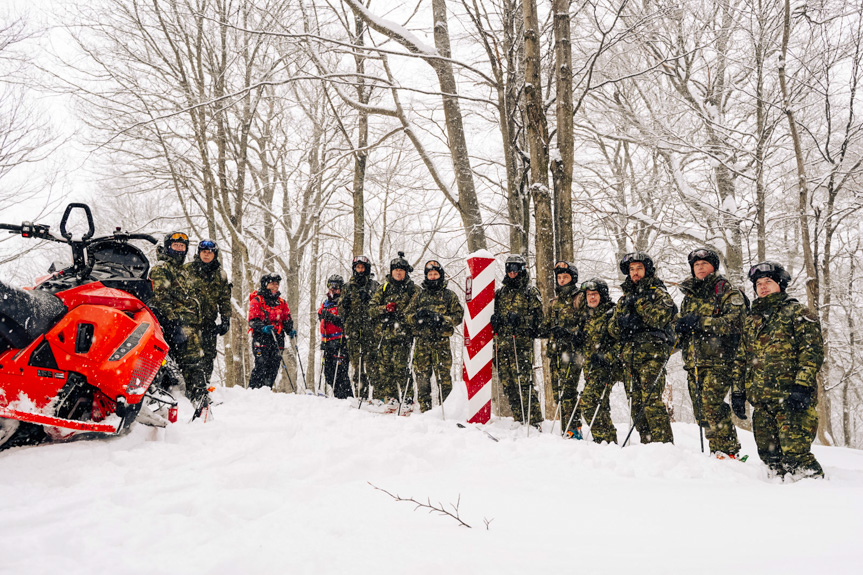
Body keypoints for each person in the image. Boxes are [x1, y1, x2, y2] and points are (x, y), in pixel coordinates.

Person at [732, 262, 824, 479]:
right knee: (770, 460)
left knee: (797, 457)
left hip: (791, 400)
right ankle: (777, 505)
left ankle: (818, 499)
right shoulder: (751, 319)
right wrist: (737, 391)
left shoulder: (798, 312)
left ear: (780, 285)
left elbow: (811, 353)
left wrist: (802, 385)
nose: (762, 287)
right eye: (759, 283)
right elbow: (741, 358)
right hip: (762, 402)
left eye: (768, 282)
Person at [675, 248, 745, 458]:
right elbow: (682, 326)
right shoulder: (689, 296)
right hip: (694, 361)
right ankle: (717, 450)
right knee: (701, 411)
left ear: (714, 266)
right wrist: (679, 326)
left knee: (711, 403)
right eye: (696, 265)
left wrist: (701, 322)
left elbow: (736, 322)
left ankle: (727, 451)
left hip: (719, 360)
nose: (700, 267)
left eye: (705, 263)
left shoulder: (726, 292)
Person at [608, 251, 675, 444]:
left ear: (647, 270)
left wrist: (640, 308)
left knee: (652, 402)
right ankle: (646, 443)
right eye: (631, 269)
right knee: (636, 404)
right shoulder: (624, 297)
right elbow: (612, 329)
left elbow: (662, 317)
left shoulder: (657, 292)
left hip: (652, 355)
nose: (635, 273)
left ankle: (664, 446)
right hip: (630, 357)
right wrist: (623, 323)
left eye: (639, 268)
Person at [149, 231, 207, 403]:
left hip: (189, 324)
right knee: (190, 361)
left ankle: (194, 396)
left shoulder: (182, 271)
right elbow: (159, 297)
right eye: (176, 246)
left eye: (182, 246)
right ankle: (194, 396)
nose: (179, 249)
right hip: (175, 324)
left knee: (193, 361)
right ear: (168, 247)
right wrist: (172, 321)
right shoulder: (161, 268)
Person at [491, 254, 544, 429]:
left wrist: (520, 320)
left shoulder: (530, 292)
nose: (512, 273)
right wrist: (496, 321)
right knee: (508, 383)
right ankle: (519, 418)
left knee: (523, 382)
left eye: (515, 269)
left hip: (520, 345)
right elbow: (493, 315)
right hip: (502, 344)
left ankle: (533, 420)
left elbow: (538, 320)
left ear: (522, 270)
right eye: (509, 269)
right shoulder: (501, 293)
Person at [406, 260, 464, 412]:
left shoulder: (449, 295)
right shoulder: (418, 296)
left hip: (441, 343)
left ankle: (447, 410)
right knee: (422, 377)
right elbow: (407, 316)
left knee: (444, 378)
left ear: (440, 275)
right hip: (422, 343)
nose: (432, 277)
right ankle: (425, 410)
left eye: (435, 274)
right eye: (430, 274)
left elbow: (458, 316)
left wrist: (442, 319)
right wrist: (417, 318)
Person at [541, 261, 583, 437]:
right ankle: (565, 428)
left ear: (572, 278)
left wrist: (569, 333)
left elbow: (585, 324)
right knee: (558, 391)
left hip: (572, 352)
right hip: (556, 352)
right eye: (559, 277)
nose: (562, 280)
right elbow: (546, 325)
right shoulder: (554, 302)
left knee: (568, 391)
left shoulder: (579, 298)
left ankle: (574, 428)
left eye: (565, 277)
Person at [368, 252, 417, 405]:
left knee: (401, 367)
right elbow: (371, 309)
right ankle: (392, 398)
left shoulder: (413, 289)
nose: (398, 272)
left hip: (403, 335)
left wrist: (401, 316)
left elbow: (416, 309)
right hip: (384, 334)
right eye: (395, 270)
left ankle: (408, 397)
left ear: (405, 272)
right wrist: (385, 310)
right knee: (385, 368)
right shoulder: (383, 288)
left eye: (401, 270)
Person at [185, 239, 231, 385]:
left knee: (208, 355)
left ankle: (204, 387)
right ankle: (187, 387)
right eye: (203, 252)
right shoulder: (187, 270)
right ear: (199, 253)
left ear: (214, 255)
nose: (206, 255)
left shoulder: (220, 275)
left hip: (209, 323)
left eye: (209, 252)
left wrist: (225, 319)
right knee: (189, 356)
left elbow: (224, 299)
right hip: (189, 322)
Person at [579, 278, 620, 444]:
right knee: (599, 405)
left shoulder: (611, 314)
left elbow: (621, 343)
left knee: (588, 404)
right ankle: (608, 441)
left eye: (595, 294)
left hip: (607, 367)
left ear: (602, 295)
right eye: (589, 295)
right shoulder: (588, 316)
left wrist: (606, 357)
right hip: (590, 368)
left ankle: (604, 439)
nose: (591, 298)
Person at [339, 255, 380, 401]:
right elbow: (340, 311)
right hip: (353, 332)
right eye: (358, 267)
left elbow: (380, 308)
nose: (360, 270)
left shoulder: (375, 286)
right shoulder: (347, 287)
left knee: (373, 366)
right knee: (358, 367)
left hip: (372, 331)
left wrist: (369, 299)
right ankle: (361, 396)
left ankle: (377, 398)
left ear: (367, 269)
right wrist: (345, 303)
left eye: (363, 267)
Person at [247, 272, 295, 390]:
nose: (275, 286)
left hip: (277, 338)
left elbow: (286, 319)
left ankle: (266, 390)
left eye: (277, 284)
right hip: (261, 338)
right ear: (265, 285)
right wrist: (263, 327)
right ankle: (253, 391)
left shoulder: (282, 302)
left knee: (273, 368)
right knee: (261, 366)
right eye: (272, 284)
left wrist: (290, 330)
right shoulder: (257, 300)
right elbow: (253, 320)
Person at [318, 274, 351, 399]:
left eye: (336, 287)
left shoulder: (343, 302)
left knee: (341, 373)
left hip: (340, 340)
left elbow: (344, 320)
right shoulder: (326, 302)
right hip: (328, 341)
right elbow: (321, 316)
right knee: (329, 373)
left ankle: (346, 396)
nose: (333, 290)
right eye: (330, 286)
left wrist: (331, 317)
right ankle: (339, 396)